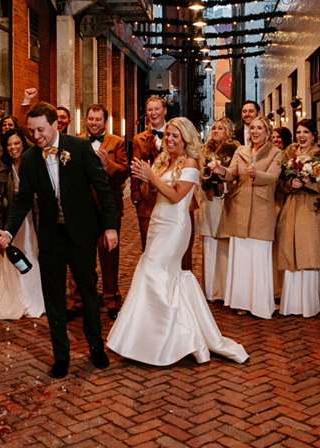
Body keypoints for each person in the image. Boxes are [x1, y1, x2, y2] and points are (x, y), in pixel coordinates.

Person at [107, 118, 248, 366]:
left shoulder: (192, 163)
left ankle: (172, 337)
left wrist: (152, 175)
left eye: (175, 136)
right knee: (153, 273)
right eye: (168, 135)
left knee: (153, 272)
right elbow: (152, 195)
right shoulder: (163, 161)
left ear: (185, 138)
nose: (169, 140)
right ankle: (149, 336)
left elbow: (175, 196)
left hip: (175, 227)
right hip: (157, 223)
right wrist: (145, 177)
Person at [0, 103, 119, 379]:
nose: (36, 136)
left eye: (40, 130)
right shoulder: (29, 160)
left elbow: (103, 190)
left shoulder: (80, 148)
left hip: (81, 234)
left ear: (55, 125)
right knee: (53, 298)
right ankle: (61, 356)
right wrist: (9, 232)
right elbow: (23, 201)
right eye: (32, 131)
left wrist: (110, 227)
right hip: (50, 236)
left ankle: (96, 348)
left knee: (87, 293)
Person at [212, 115, 282, 319]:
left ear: (267, 132)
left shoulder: (275, 153)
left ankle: (259, 303)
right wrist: (220, 171)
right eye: (252, 128)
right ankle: (241, 302)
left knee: (258, 256)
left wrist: (255, 174)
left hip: (262, 209)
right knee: (241, 256)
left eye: (260, 128)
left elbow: (273, 177)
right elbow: (232, 173)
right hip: (240, 208)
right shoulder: (240, 151)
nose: (255, 131)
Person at [73, 104, 128, 321]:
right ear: (85, 120)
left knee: (109, 256)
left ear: (105, 121)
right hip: (83, 208)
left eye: (98, 119)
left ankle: (111, 299)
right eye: (90, 119)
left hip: (108, 208)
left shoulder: (117, 142)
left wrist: (108, 164)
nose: (94, 123)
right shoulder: (76, 142)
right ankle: (76, 300)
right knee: (79, 256)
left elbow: (124, 173)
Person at [275, 118, 320, 317]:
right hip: (291, 207)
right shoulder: (288, 154)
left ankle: (309, 304)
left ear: (314, 134)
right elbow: (279, 182)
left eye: (306, 132)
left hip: (313, 208)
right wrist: (291, 183)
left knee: (308, 250)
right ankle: (291, 303)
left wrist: (309, 182)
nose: (302, 136)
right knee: (290, 251)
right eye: (299, 132)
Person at [0, 129, 45, 320]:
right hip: (10, 218)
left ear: (23, 143)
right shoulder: (0, 167)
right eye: (9, 145)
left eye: (17, 143)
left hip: (32, 216)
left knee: (31, 252)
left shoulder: (35, 162)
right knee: (12, 255)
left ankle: (33, 297)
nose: (13, 148)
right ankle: (14, 297)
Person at [199, 117, 239, 301]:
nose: (215, 131)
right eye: (214, 128)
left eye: (220, 128)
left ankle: (225, 289)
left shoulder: (235, 149)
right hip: (209, 200)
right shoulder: (205, 151)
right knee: (209, 243)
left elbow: (238, 175)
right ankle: (210, 290)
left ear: (228, 131)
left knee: (225, 244)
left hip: (226, 200)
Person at [131, 96, 167, 250]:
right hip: (148, 199)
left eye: (157, 109)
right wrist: (136, 196)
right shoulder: (139, 139)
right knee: (150, 247)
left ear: (164, 111)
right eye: (150, 109)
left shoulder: (176, 135)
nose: (153, 113)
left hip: (170, 196)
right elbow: (135, 169)